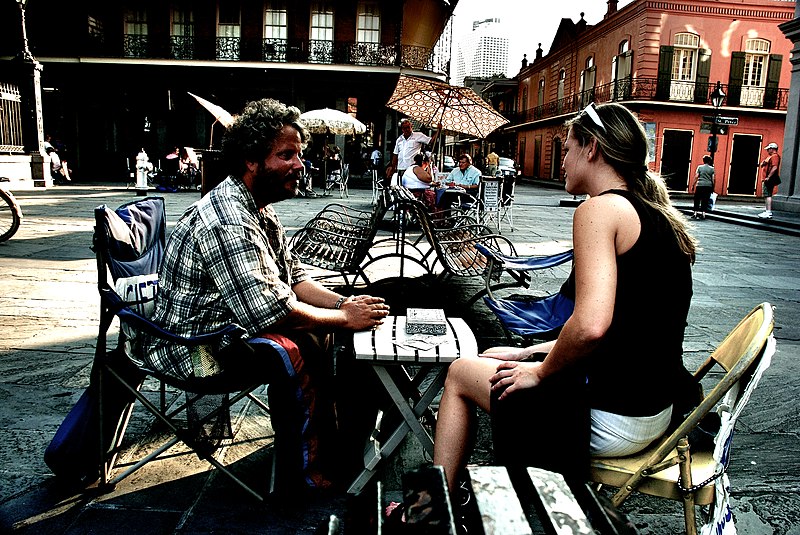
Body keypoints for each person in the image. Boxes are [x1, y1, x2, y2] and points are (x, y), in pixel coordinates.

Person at [432, 102, 698, 496]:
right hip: (655, 411)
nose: (563, 162)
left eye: (569, 150)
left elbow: (591, 327)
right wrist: (529, 353)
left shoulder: (600, 209)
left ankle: (436, 506)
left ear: (592, 149)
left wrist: (539, 372)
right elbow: (627, 329)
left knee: (457, 373)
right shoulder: (658, 216)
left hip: (613, 416)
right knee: (496, 360)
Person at [144, 98, 390, 492]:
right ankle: (306, 472)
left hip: (230, 324)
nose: (299, 164)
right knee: (292, 347)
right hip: (195, 348)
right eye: (286, 155)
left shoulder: (260, 209)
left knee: (329, 329)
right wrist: (345, 318)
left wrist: (346, 306)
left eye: (299, 154)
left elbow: (293, 280)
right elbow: (273, 311)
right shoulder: (227, 220)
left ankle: (334, 442)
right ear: (251, 161)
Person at [385, 118, 441, 188]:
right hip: (401, 168)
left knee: (412, 188)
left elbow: (431, 141)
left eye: (408, 127)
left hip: (412, 169)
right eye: (405, 128)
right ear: (402, 129)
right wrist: (392, 167)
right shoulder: (399, 139)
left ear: (411, 127)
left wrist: (438, 131)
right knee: (401, 188)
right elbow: (395, 154)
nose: (407, 129)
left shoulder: (418, 135)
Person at [758, 142, 781, 219]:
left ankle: (768, 212)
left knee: (768, 194)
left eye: (768, 149)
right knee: (766, 194)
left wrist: (768, 176)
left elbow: (775, 167)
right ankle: (767, 211)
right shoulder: (770, 157)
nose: (767, 150)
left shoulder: (775, 157)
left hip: (768, 179)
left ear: (772, 149)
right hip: (766, 178)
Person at [692, 155, 715, 219]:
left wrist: (693, 185)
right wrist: (713, 187)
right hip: (708, 186)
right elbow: (713, 179)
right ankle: (703, 214)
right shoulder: (712, 169)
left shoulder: (699, 167)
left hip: (700, 185)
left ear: (703, 160)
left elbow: (696, 176)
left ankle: (695, 213)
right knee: (705, 200)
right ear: (709, 161)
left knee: (697, 199)